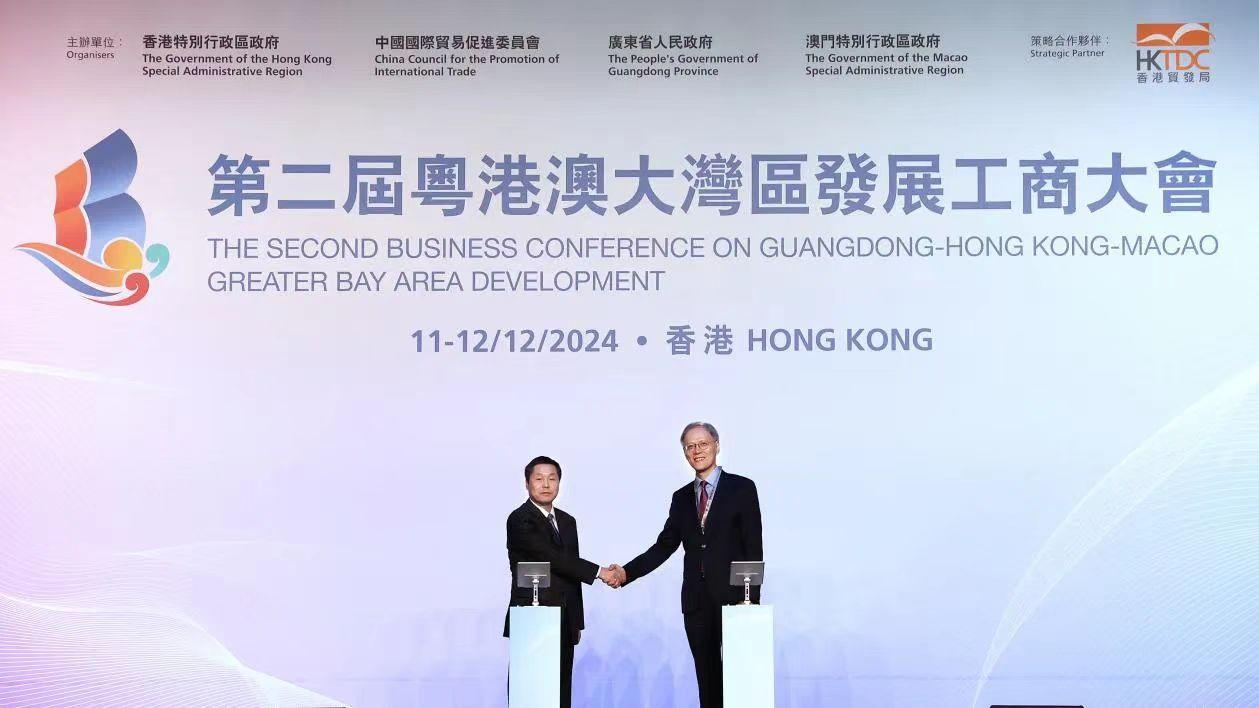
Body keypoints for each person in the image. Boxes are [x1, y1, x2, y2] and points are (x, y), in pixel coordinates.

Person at [609, 422, 764, 708]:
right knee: (707, 680)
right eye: (690, 446)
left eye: (703, 444)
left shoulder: (742, 488)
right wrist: (626, 572)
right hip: (696, 603)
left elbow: (753, 545)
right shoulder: (680, 498)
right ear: (684, 453)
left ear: (717, 445)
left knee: (740, 679)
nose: (697, 451)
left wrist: (751, 600)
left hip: (735, 600)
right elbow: (664, 546)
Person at [504, 455, 621, 708]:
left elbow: (571, 572)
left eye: (552, 478)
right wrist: (600, 571)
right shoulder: (519, 519)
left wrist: (576, 619)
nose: (546, 484)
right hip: (533, 618)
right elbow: (552, 558)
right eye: (539, 479)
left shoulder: (567, 521)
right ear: (527, 483)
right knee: (530, 693)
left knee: (560, 692)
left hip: (564, 619)